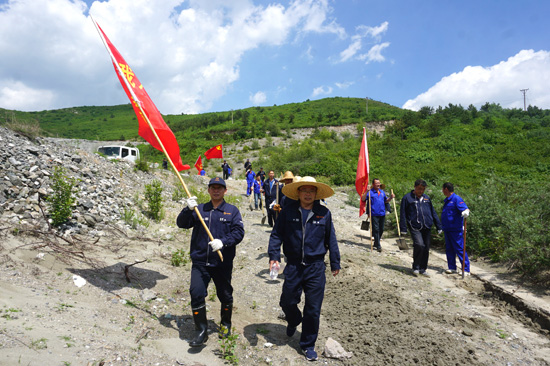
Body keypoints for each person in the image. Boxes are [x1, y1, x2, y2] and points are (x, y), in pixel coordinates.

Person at [268, 176, 341, 361]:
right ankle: (293, 319)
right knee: (287, 301)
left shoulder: (324, 213)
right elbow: (276, 235)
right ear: (298, 193)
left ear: (316, 194)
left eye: (311, 191)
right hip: (293, 265)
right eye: (304, 190)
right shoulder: (287, 212)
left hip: (315, 267)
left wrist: (335, 262)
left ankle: (308, 344)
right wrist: (274, 257)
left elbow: (331, 238)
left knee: (313, 309)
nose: (308, 194)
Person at [176, 177, 245, 347]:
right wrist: (187, 209)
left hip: (222, 263)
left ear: (225, 191)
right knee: (196, 292)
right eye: (213, 188)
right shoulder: (199, 209)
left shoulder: (232, 211)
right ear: (208, 190)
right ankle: (201, 331)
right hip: (200, 262)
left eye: (219, 188)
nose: (216, 191)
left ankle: (225, 324)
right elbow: (181, 224)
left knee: (225, 295)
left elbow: (239, 232)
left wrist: (224, 242)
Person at [399, 179, 442, 276]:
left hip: (427, 226)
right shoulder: (407, 198)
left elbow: (433, 212)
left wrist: (438, 226)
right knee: (419, 244)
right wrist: (403, 228)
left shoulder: (427, 198)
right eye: (419, 189)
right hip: (415, 226)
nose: (421, 191)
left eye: (423, 189)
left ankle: (423, 269)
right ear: (415, 187)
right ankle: (416, 267)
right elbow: (403, 213)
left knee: (426, 247)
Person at [441, 182, 471, 276]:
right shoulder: (447, 200)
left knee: (460, 249)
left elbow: (465, 209)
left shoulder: (456, 199)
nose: (442, 191)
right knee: (449, 249)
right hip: (447, 229)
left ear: (446, 189)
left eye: (442, 189)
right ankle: (452, 267)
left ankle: (465, 269)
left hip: (455, 230)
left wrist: (466, 212)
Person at [361, 178, 395, 252]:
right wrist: (367, 190)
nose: (378, 184)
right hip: (374, 213)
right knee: (376, 229)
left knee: (381, 229)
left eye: (379, 183)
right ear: (373, 184)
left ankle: (376, 242)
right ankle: (378, 245)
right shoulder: (370, 192)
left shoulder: (382, 192)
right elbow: (363, 199)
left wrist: (391, 198)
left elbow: (386, 201)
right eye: (376, 183)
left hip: (382, 213)